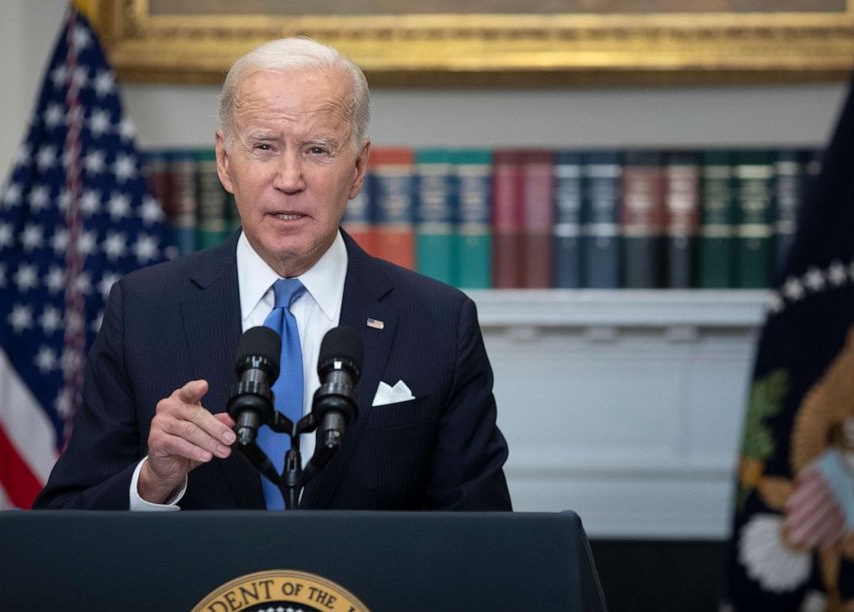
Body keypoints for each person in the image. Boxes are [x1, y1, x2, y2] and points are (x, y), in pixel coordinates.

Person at [34, 37, 511, 511]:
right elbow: (60, 526)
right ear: (225, 162)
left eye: (317, 150)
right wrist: (153, 480)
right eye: (264, 146)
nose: (289, 179)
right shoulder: (142, 310)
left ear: (359, 167)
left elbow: (484, 540)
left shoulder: (439, 322)